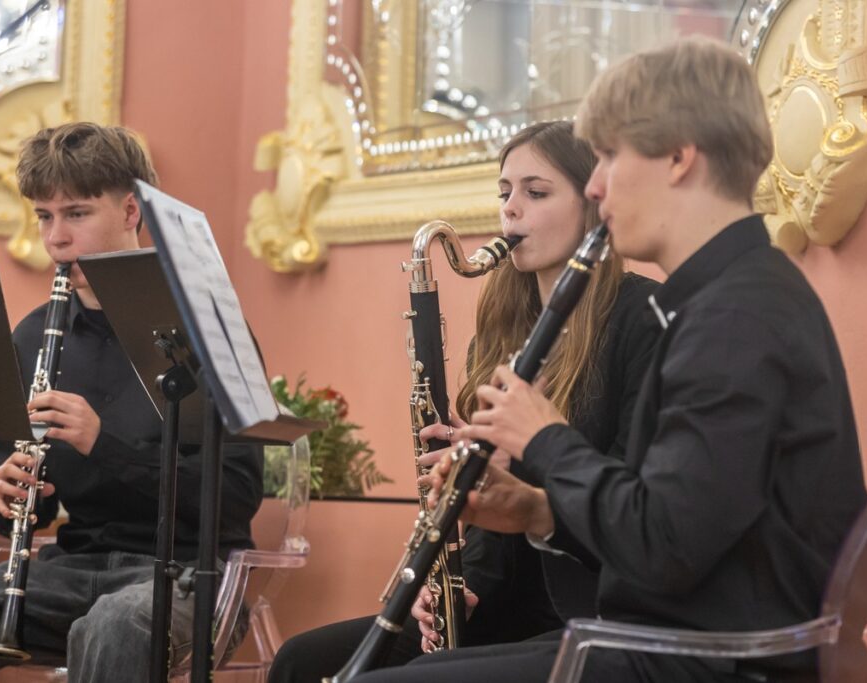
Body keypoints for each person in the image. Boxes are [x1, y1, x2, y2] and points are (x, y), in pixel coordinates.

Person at [352, 37, 867, 683]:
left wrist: (545, 438)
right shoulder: (726, 298)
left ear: (679, 158)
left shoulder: (734, 318)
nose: (596, 185)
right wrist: (537, 512)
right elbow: (672, 522)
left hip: (704, 662)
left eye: (608, 157)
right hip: (669, 644)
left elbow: (663, 548)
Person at [268, 120, 659, 681]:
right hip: (506, 599)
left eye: (536, 192)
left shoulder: (639, 320)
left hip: (586, 601)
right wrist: (459, 586)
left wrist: (517, 464)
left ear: (592, 202)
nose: (511, 210)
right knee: (300, 661)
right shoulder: (501, 335)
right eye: (504, 193)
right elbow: (487, 520)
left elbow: (626, 494)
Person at [0, 122, 265, 682]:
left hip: (188, 577)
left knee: (113, 625)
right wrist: (6, 498)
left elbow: (237, 499)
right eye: (44, 216)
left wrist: (102, 444)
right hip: (71, 568)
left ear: (131, 212)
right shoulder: (33, 337)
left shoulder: (205, 328)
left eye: (76, 213)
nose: (55, 238)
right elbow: (27, 514)